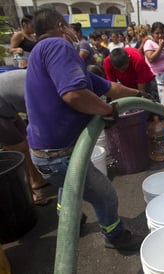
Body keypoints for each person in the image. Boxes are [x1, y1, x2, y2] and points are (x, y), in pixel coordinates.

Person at [25, 8, 148, 251]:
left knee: (66, 185)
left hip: (44, 153)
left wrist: (141, 95)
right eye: (69, 26)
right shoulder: (58, 47)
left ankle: (68, 218)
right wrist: (107, 111)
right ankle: (114, 235)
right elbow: (74, 95)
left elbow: (111, 87)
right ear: (61, 25)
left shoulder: (42, 54)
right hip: (60, 155)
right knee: (106, 196)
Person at [0, 69, 55, 206]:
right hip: (2, 110)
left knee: (28, 144)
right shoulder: (47, 89)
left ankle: (37, 181)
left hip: (8, 105)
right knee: (20, 150)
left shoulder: (49, 81)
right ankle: (27, 194)